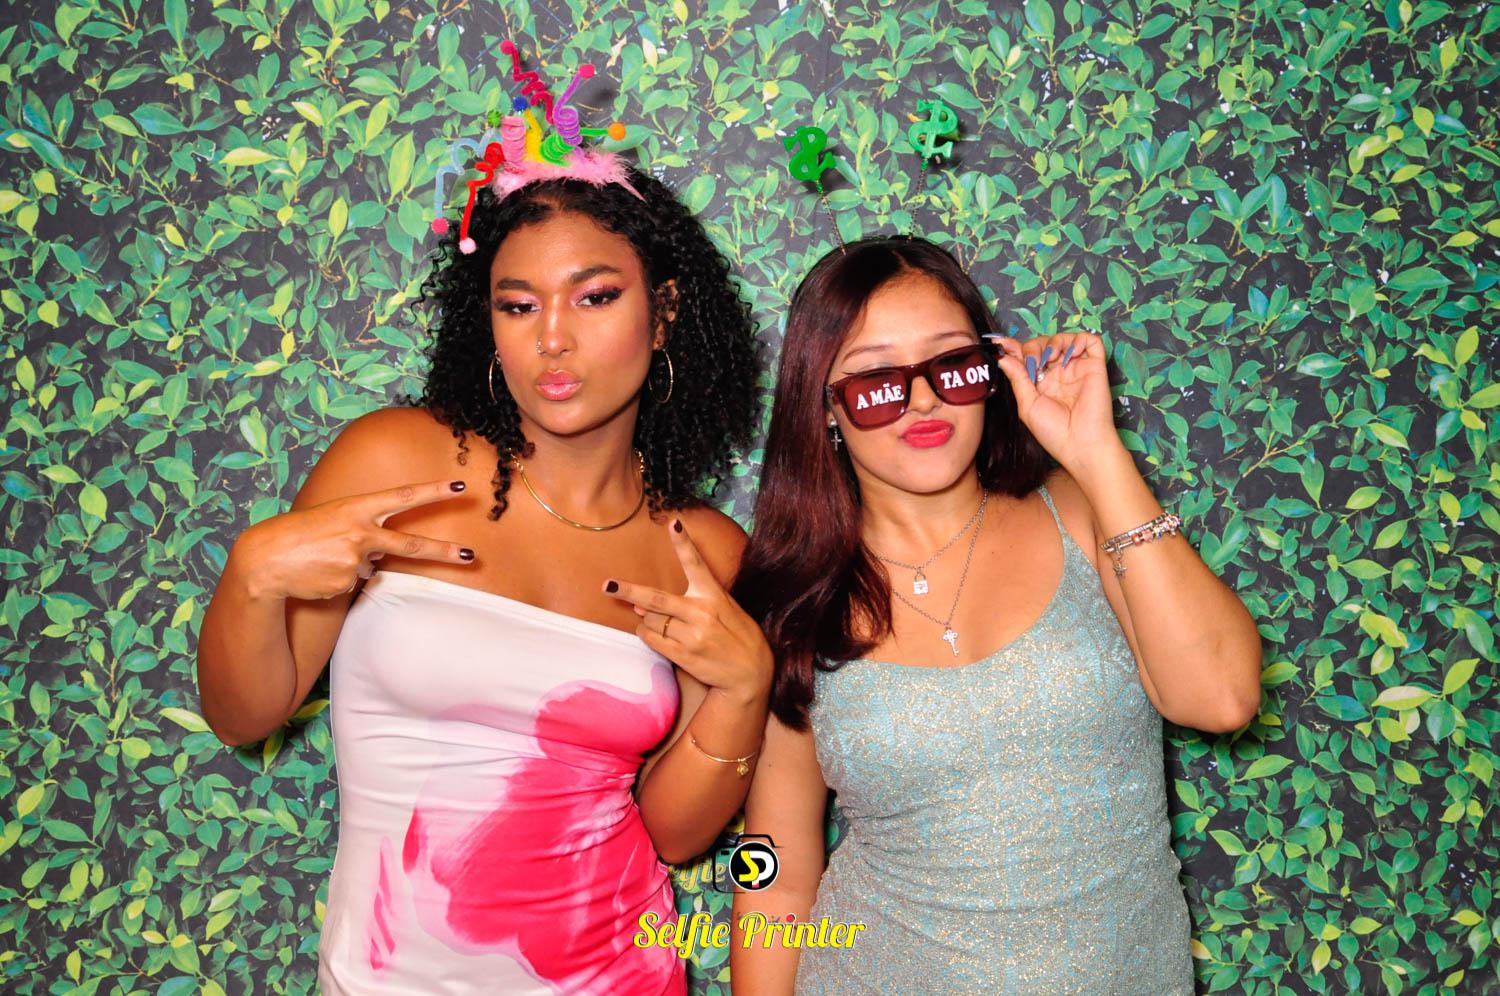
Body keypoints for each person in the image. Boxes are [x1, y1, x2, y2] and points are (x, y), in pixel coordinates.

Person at [195, 127, 774, 992]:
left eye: (594, 297)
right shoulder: (393, 465)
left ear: (663, 314)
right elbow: (242, 717)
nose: (552, 339)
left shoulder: (707, 552)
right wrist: (250, 576)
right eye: (518, 305)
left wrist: (744, 691)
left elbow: (674, 836)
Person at [726, 235, 1263, 993]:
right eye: (878, 381)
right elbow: (771, 864)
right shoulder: (796, 601)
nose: (922, 400)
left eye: (952, 366)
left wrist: (1097, 455)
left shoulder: (1084, 512)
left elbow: (1222, 697)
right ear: (826, 409)